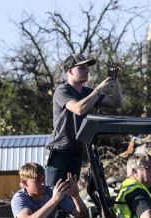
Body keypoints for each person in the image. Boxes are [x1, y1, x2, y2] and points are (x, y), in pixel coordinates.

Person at [45, 53, 123, 186]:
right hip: (59, 151)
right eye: (81, 68)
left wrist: (114, 80)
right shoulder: (62, 91)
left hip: (76, 151)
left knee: (71, 194)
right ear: (69, 71)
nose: (87, 70)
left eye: (87, 67)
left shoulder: (87, 92)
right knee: (52, 193)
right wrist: (98, 90)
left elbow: (116, 102)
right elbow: (78, 108)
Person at [11, 162, 88, 218]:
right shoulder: (19, 199)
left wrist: (76, 196)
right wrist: (54, 200)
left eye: (43, 179)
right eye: (37, 181)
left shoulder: (53, 192)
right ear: (25, 183)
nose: (42, 184)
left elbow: (83, 216)